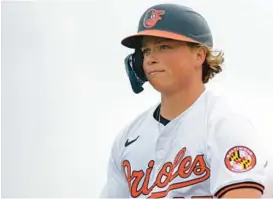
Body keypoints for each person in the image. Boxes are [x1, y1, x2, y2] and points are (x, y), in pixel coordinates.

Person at [100, 3, 267, 198]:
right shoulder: (127, 139)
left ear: (199, 55)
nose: (151, 58)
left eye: (164, 46)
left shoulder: (226, 128)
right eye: (146, 51)